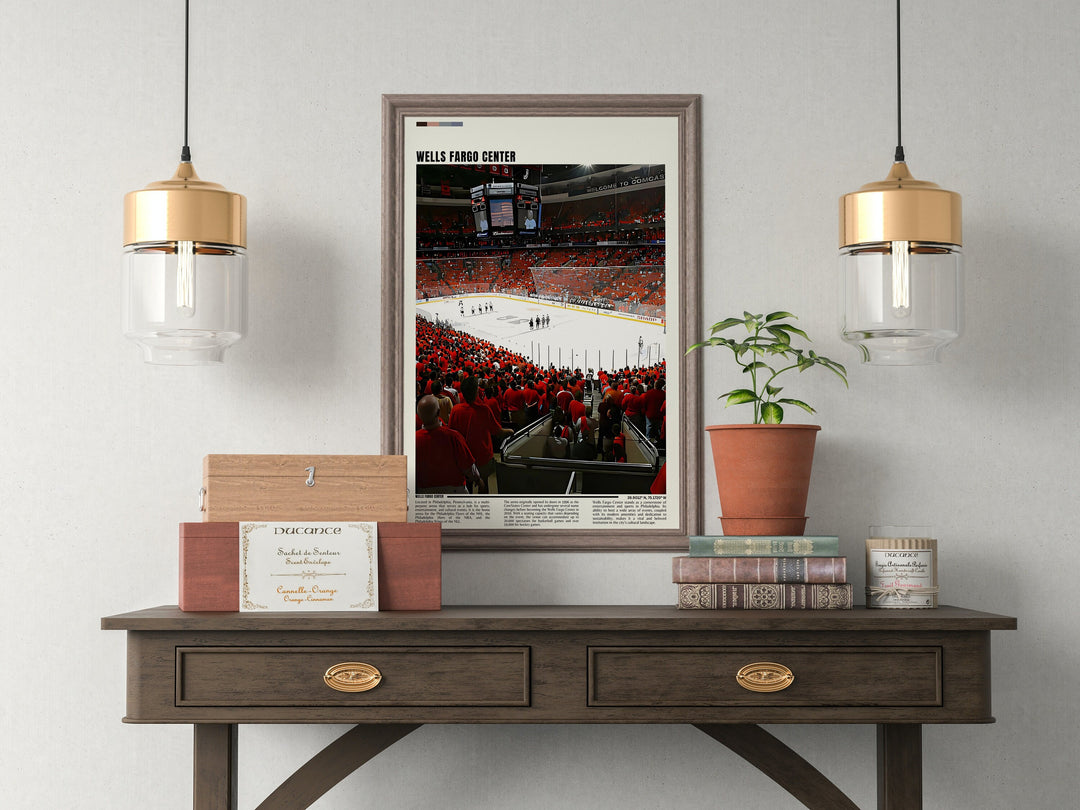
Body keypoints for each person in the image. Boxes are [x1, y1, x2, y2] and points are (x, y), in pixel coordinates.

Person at [449, 376, 512, 492]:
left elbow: (452, 433)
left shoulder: (455, 410)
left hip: (464, 458)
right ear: (476, 391)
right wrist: (511, 431)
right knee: (484, 488)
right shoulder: (484, 410)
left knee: (467, 488)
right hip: (483, 457)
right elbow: (498, 432)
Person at [415, 395, 482, 494]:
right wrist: (478, 479)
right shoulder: (453, 436)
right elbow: (467, 466)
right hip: (455, 491)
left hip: (424, 494)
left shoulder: (413, 440)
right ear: (438, 412)